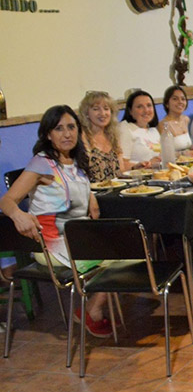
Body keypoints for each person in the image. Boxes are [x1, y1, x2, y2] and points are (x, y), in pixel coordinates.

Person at [0, 105, 111, 338]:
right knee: (119, 255)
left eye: (71, 127)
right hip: (51, 244)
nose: (67, 134)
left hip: (79, 239)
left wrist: (90, 195)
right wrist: (19, 215)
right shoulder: (42, 162)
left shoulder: (77, 160)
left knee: (132, 252)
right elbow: (7, 201)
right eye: (58, 129)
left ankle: (90, 308)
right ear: (48, 134)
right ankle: (93, 310)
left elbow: (75, 184)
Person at [78, 91, 127, 183]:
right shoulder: (82, 136)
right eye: (96, 109)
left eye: (106, 109)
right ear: (86, 113)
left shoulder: (114, 136)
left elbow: (121, 170)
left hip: (116, 190)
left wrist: (134, 168)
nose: (103, 113)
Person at [118, 89, 161, 168]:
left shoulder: (153, 130)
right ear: (130, 111)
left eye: (149, 105)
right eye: (139, 107)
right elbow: (122, 165)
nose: (146, 110)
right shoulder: (125, 128)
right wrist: (148, 164)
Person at [159, 85, 193, 154]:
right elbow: (165, 153)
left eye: (183, 99)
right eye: (175, 99)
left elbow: (185, 146)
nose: (180, 102)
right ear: (167, 103)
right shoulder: (164, 125)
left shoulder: (186, 119)